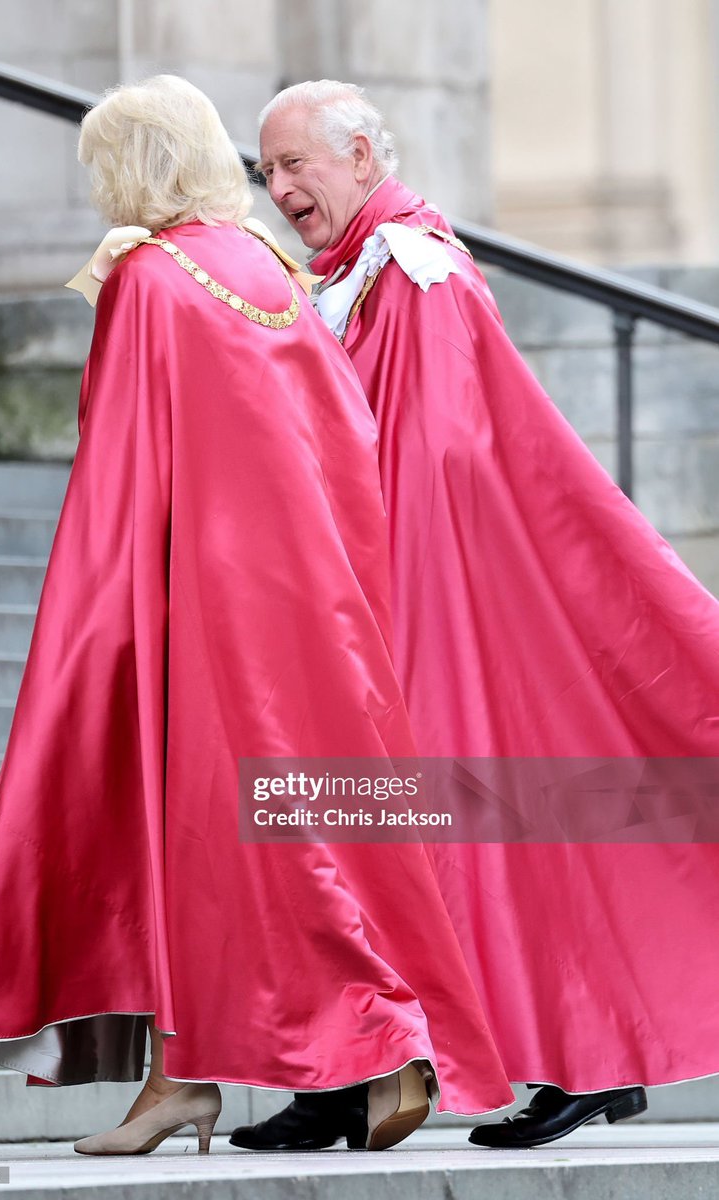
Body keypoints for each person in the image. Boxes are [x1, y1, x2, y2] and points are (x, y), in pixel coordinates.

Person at [0, 75, 516, 1156]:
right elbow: (345, 440)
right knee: (257, 834)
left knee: (199, 834)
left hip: (190, 608)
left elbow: (115, 470)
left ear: (135, 166)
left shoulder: (151, 277)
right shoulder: (271, 270)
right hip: (305, 612)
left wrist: (91, 627)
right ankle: (187, 1078)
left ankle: (375, 1037)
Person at [231, 78, 719, 1152]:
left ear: (360, 154)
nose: (278, 189)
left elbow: (442, 453)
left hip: (423, 598)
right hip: (363, 597)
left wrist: (365, 593)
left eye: (295, 164)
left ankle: (588, 1055)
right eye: (266, 171)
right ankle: (347, 1072)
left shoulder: (417, 268)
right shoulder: (357, 272)